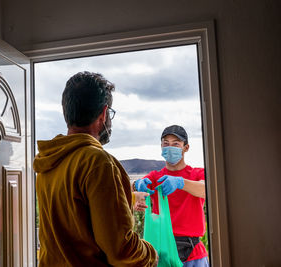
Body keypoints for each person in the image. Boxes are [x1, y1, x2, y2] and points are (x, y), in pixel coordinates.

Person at [34, 71, 158, 267]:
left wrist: (130, 199)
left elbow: (74, 214)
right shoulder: (98, 163)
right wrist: (151, 254)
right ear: (103, 113)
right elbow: (121, 250)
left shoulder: (49, 160)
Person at [132, 125, 209, 267]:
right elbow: (136, 193)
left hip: (192, 254)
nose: (169, 147)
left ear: (186, 148)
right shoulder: (155, 177)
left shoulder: (197, 174)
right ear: (161, 146)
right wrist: (137, 186)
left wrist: (180, 182)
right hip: (162, 251)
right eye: (165, 143)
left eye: (176, 144)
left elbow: (208, 190)